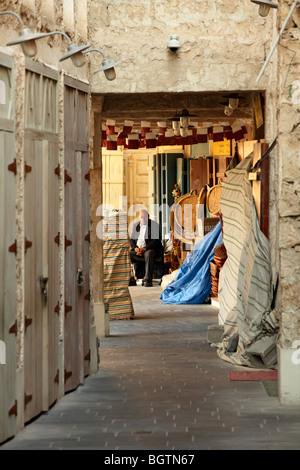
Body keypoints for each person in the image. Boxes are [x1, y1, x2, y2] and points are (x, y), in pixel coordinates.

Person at [130, 209, 163, 287]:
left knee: (148, 254)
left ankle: (148, 280)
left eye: (145, 217)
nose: (143, 219)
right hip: (138, 249)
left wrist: (144, 249)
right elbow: (131, 239)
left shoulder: (154, 225)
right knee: (128, 254)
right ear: (139, 217)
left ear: (148, 217)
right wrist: (135, 249)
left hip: (151, 249)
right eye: (141, 217)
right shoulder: (136, 226)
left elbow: (155, 241)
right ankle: (131, 279)